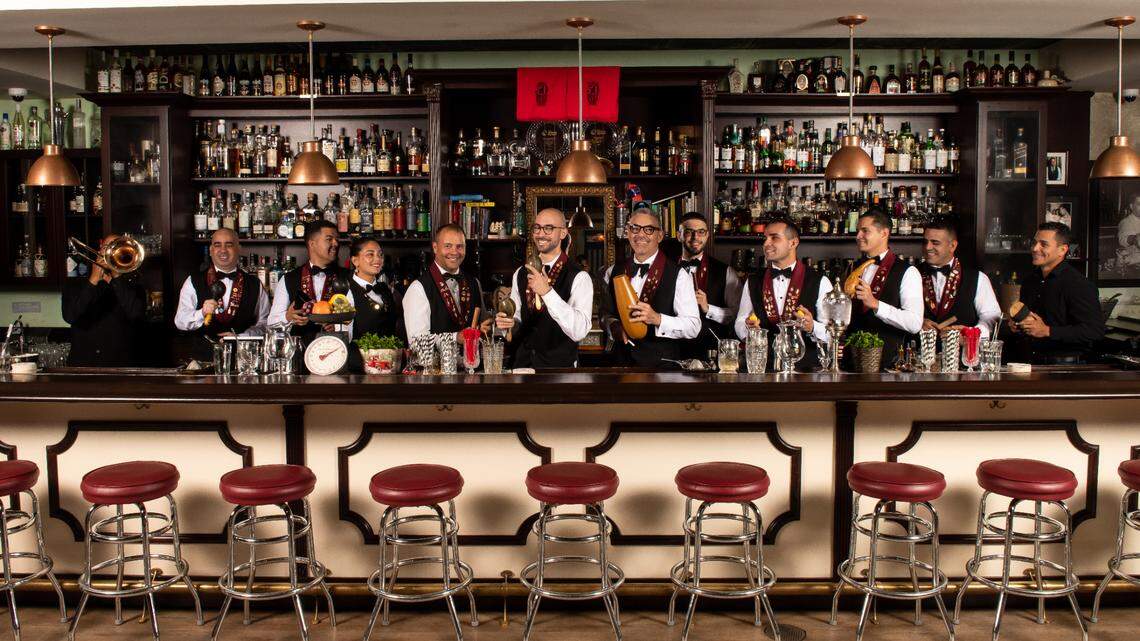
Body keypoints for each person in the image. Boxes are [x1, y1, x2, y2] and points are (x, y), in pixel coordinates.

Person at [601, 209, 700, 367]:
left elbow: (693, 326)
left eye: (649, 229)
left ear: (659, 236)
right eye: (635, 228)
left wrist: (657, 318)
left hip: (662, 369)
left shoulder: (678, 274)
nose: (640, 235)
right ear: (627, 233)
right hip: (621, 364)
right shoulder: (612, 271)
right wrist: (613, 326)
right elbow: (605, 313)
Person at [495, 208, 593, 368]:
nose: (540, 234)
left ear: (563, 233)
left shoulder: (579, 276)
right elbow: (518, 317)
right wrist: (509, 323)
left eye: (548, 228)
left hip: (560, 371)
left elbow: (579, 330)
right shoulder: (520, 273)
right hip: (523, 367)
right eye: (537, 228)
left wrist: (547, 292)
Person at [735, 218, 832, 371]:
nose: (766, 243)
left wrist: (812, 326)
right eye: (765, 238)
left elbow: (831, 334)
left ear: (793, 243)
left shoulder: (820, 280)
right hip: (763, 368)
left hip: (806, 372)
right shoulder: (753, 280)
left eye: (774, 238)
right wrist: (747, 327)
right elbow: (739, 321)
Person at [1008, 222, 1105, 364]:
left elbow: (1095, 331)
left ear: (1062, 250)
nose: (1035, 248)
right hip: (1030, 363)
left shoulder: (1078, 284)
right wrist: (1017, 325)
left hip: (1066, 369)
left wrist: (1047, 331)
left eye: (1044, 244)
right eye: (1034, 243)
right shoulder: (1030, 281)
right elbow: (1030, 320)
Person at [174, 228, 270, 361]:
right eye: (217, 245)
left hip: (244, 360)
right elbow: (180, 321)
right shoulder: (193, 281)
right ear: (211, 250)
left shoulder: (254, 284)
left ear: (239, 249)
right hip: (203, 362)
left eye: (229, 245)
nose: (223, 250)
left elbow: (266, 323)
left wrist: (242, 336)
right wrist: (201, 312)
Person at [846, 209, 923, 367]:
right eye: (858, 231)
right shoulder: (851, 267)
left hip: (890, 364)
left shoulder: (908, 272)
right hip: (850, 363)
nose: (858, 236)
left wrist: (875, 304)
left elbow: (914, 323)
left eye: (865, 231)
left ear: (884, 233)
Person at [61, 234, 146, 367]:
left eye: (117, 248)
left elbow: (136, 314)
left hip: (120, 367)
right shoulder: (75, 283)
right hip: (83, 366)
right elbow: (70, 316)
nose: (111, 252)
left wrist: (116, 277)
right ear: (100, 250)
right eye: (107, 247)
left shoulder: (133, 285)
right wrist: (93, 280)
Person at [268, 220, 350, 344]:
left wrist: (338, 327)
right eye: (329, 239)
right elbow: (270, 323)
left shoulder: (348, 277)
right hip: (300, 353)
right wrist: (288, 317)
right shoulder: (289, 278)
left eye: (337, 239)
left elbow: (359, 319)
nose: (336, 243)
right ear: (312, 244)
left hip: (338, 352)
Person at [403, 223, 492, 338]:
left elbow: (484, 325)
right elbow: (417, 342)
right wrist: (456, 338)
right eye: (448, 246)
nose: (454, 252)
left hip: (471, 356)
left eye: (460, 246)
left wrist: (492, 324)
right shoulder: (418, 288)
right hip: (436, 357)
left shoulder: (474, 283)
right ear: (435, 248)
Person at [919, 217, 1001, 339]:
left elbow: (991, 318)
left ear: (952, 246)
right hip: (919, 354)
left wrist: (970, 333)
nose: (927, 247)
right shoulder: (911, 274)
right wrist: (917, 323)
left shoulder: (978, 278)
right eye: (925, 242)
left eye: (935, 243)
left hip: (963, 355)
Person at [676, 212, 741, 360]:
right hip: (673, 352)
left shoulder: (725, 271)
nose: (695, 238)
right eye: (688, 232)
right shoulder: (666, 269)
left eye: (701, 232)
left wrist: (708, 308)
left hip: (711, 353)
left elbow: (737, 315)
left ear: (707, 236)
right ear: (678, 235)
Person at [345, 237, 404, 372]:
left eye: (380, 255)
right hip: (359, 368)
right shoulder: (347, 291)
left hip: (388, 366)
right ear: (355, 261)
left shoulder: (385, 289)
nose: (377, 259)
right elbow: (344, 337)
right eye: (370, 254)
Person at [1116, 194, 1140, 268]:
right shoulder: (1125, 222)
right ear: (1131, 206)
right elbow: (1124, 240)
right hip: (1129, 266)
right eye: (1139, 204)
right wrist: (1134, 239)